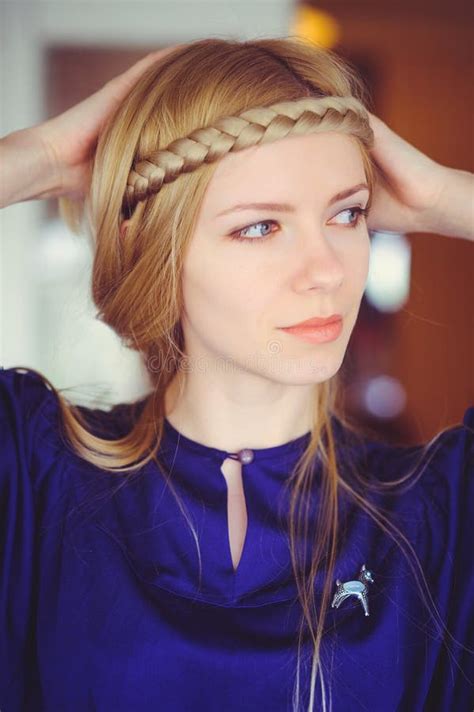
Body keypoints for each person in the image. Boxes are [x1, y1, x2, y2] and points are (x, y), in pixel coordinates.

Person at [0, 37, 473, 712]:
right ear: (156, 247)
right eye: (260, 228)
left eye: (347, 213)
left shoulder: (439, 515)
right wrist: (37, 160)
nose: (328, 270)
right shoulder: (32, 471)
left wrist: (444, 197)